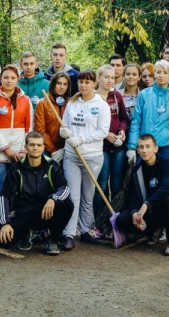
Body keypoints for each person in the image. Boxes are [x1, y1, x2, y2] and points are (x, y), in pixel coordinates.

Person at [0, 132, 74, 255]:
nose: (35, 148)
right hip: (25, 211)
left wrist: (53, 199)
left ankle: (51, 239)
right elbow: (5, 196)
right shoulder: (16, 168)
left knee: (68, 205)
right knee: (4, 242)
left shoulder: (52, 165)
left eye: (38, 145)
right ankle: (26, 232)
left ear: (43, 147)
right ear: (26, 147)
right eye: (32, 145)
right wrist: (5, 222)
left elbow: (64, 188)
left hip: (46, 211)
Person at [59, 69, 110, 250]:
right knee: (73, 196)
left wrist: (81, 139)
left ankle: (86, 230)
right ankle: (69, 234)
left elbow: (103, 131)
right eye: (81, 81)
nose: (83, 85)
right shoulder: (72, 102)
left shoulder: (102, 105)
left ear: (94, 83)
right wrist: (64, 132)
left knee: (88, 196)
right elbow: (63, 125)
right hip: (72, 156)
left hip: (92, 157)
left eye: (87, 82)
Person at [0, 64, 32, 241]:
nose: (9, 81)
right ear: (0, 79)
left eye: (12, 78)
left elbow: (29, 126)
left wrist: (22, 150)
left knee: (17, 193)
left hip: (19, 153)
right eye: (5, 77)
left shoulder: (26, 100)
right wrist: (6, 148)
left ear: (17, 79)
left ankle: (14, 228)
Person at [115, 134, 169, 256]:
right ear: (138, 150)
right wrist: (134, 212)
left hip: (168, 209)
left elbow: (166, 187)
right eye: (141, 147)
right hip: (149, 212)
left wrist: (146, 204)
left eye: (148, 146)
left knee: (168, 199)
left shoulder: (166, 164)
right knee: (121, 220)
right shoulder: (136, 170)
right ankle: (152, 231)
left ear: (155, 149)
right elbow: (133, 195)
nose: (144, 150)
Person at [127, 60, 169, 171]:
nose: (161, 75)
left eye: (165, 72)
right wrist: (132, 147)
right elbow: (136, 122)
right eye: (158, 72)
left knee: (164, 178)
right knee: (142, 178)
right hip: (144, 146)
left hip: (166, 146)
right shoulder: (144, 95)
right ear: (154, 74)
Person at [93, 65, 129, 224]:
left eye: (113, 78)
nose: (110, 80)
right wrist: (105, 134)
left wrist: (122, 130)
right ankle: (100, 220)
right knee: (101, 185)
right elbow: (89, 124)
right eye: (106, 77)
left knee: (116, 185)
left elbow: (124, 118)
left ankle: (116, 220)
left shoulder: (117, 96)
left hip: (118, 147)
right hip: (100, 148)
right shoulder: (92, 97)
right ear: (98, 78)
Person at [34, 71, 71, 162]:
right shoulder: (43, 103)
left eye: (65, 84)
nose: (62, 87)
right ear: (53, 84)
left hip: (66, 150)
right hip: (47, 149)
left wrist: (64, 149)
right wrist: (53, 150)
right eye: (59, 83)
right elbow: (40, 130)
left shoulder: (70, 103)